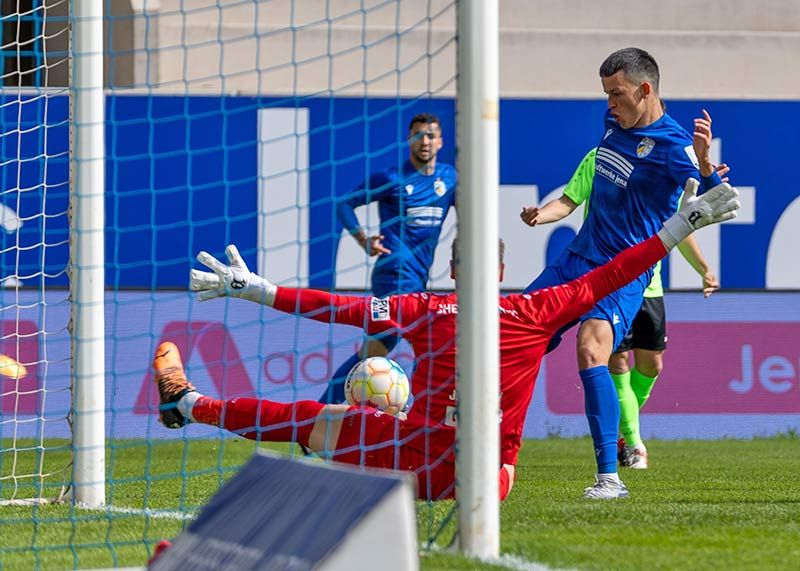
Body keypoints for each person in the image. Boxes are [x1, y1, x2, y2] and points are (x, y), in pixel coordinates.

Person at [171, 180, 739, 500]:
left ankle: (190, 403)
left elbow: (341, 309)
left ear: (452, 266)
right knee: (337, 426)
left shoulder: (424, 309)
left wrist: (261, 292)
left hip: (411, 457)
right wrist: (679, 227)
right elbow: (614, 272)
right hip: (489, 479)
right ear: (497, 270)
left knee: (308, 418)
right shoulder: (535, 309)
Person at [518, 47, 724, 494]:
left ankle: (609, 476)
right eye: (607, 94)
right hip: (576, 258)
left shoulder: (675, 147)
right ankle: (469, 429)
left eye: (617, 94)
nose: (609, 104)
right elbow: (576, 199)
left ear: (645, 90)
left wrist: (706, 166)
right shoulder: (614, 125)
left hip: (623, 273)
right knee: (514, 327)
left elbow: (719, 200)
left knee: (592, 349)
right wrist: (543, 215)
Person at [524, 147, 727, 470]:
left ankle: (620, 422)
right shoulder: (600, 157)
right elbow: (566, 202)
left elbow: (680, 226)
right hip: (609, 281)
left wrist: (703, 268)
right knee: (610, 361)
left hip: (649, 285)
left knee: (651, 366)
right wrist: (540, 216)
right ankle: (633, 444)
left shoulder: (662, 167)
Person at [322, 113, 457, 404]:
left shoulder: (449, 178)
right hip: (393, 273)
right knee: (430, 341)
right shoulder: (392, 178)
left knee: (378, 348)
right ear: (409, 140)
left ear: (440, 142)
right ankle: (421, 418)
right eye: (418, 134)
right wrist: (363, 239)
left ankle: (318, 416)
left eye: (431, 135)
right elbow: (345, 203)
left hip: (418, 277)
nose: (425, 141)